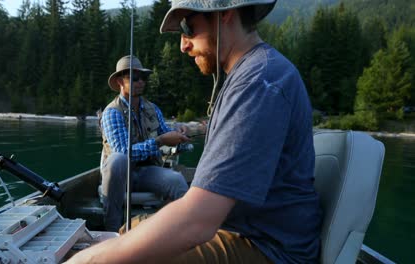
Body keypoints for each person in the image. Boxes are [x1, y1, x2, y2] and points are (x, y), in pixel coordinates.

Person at [67, 0, 322, 263]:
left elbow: (198, 222)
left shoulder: (258, 83)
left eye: (188, 27)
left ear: (224, 14)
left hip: (266, 247)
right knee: (125, 233)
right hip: (241, 229)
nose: (183, 45)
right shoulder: (250, 76)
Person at [98, 55, 190, 232]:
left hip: (147, 171)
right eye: (134, 78)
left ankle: (176, 233)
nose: (141, 82)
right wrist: (160, 141)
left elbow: (167, 139)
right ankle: (112, 229)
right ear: (120, 82)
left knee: (177, 180)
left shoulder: (152, 109)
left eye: (143, 78)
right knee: (117, 160)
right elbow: (123, 152)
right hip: (121, 176)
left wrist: (181, 136)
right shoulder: (112, 112)